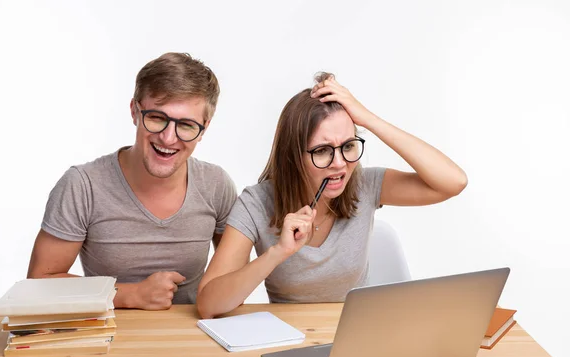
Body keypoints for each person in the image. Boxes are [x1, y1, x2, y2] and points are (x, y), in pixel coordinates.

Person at [196, 73, 467, 318]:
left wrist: (367, 119)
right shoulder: (255, 203)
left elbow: (453, 182)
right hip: (289, 339)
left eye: (348, 146)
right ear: (293, 156)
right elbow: (209, 305)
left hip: (357, 334)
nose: (340, 163)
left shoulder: (365, 185)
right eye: (323, 151)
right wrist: (278, 252)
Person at [27, 52, 237, 310]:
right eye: (157, 118)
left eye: (186, 125)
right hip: (107, 339)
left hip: (190, 339)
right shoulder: (82, 185)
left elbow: (232, 279)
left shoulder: (216, 185)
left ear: (204, 127)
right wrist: (129, 295)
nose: (169, 138)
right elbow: (39, 282)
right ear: (135, 112)